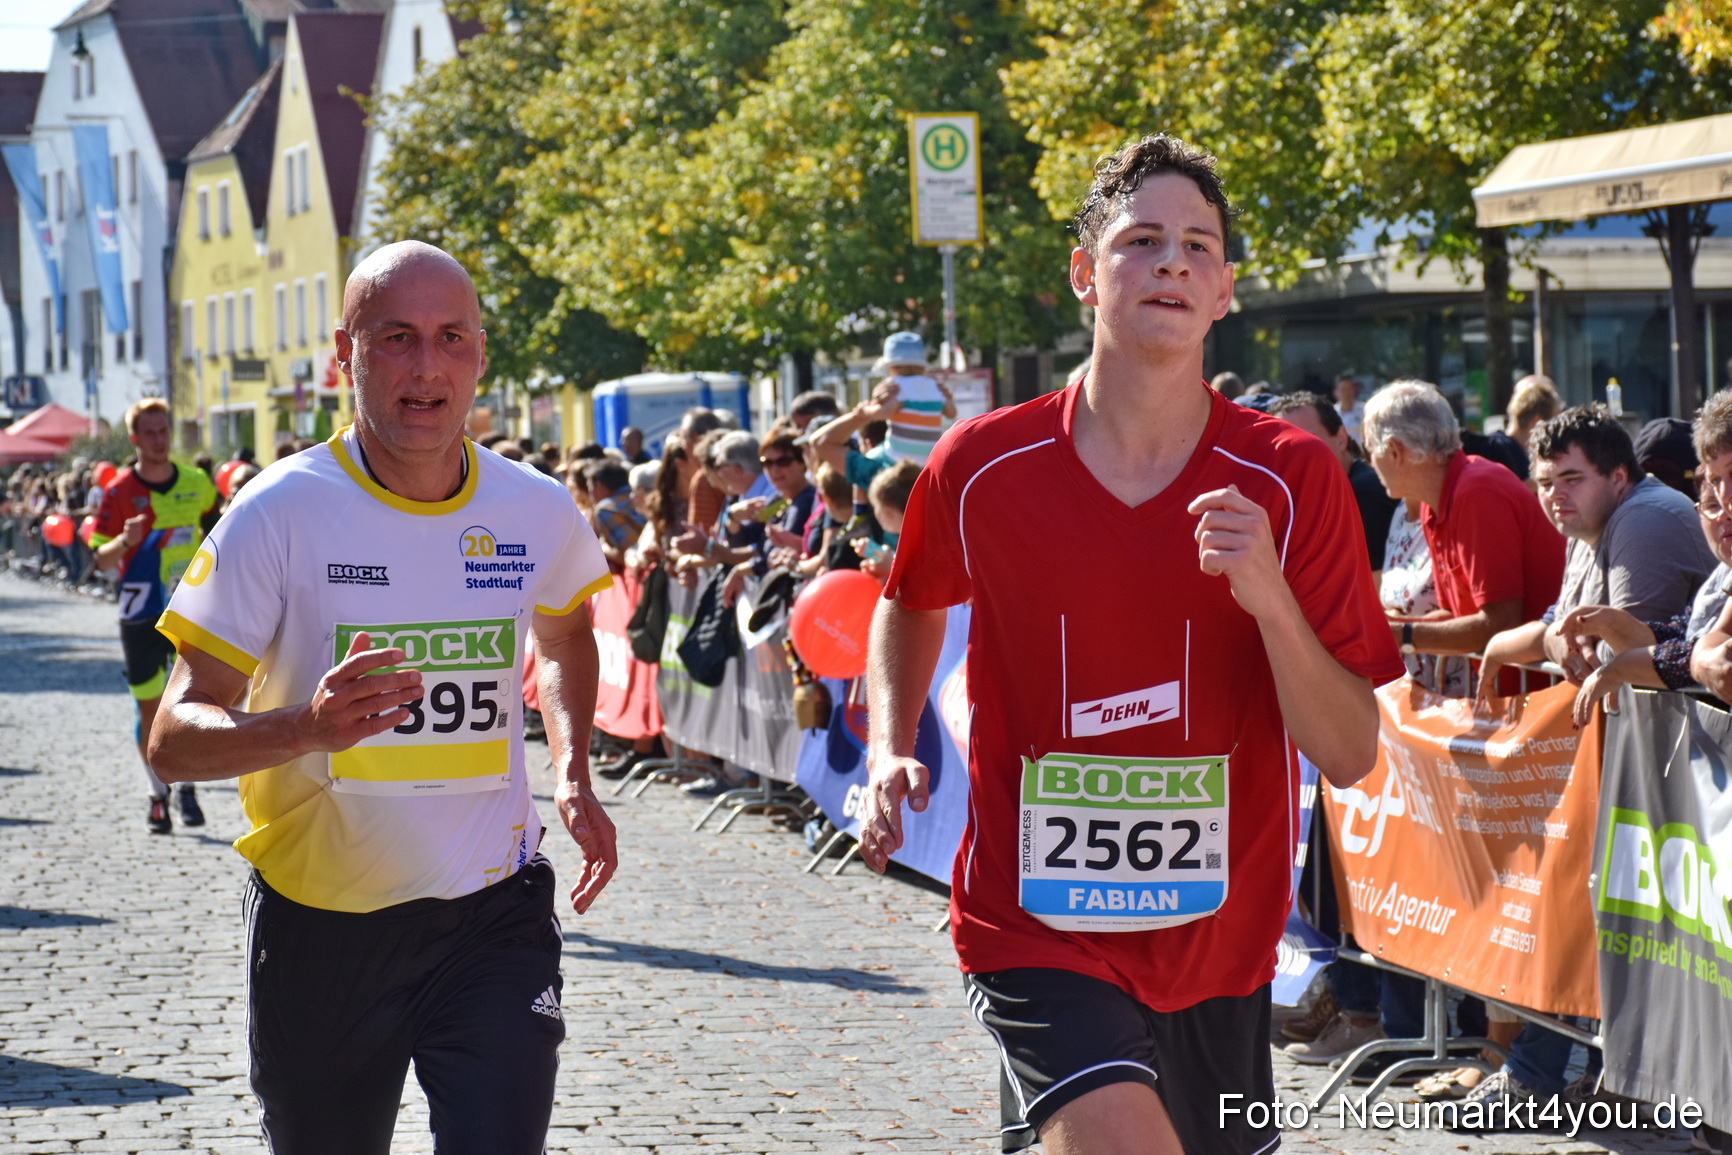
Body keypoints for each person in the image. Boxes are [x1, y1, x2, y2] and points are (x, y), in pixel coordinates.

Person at [858, 134, 1403, 1155]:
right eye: (1141, 240)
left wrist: (1270, 599)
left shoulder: (1290, 476)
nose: (1171, 263)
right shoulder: (982, 464)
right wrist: (893, 743)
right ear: (1084, 273)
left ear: (1226, 291)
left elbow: (1349, 751)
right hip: (1032, 923)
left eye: (1198, 247)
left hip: (1219, 944)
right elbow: (909, 598)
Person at [147, 241, 617, 1153]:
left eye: (451, 338)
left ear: (482, 354)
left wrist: (573, 769)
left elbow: (563, 633)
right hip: (324, 927)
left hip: (493, 916)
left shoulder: (535, 509)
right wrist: (305, 728)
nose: (426, 367)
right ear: (346, 351)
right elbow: (173, 735)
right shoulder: (277, 511)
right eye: (397, 338)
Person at [1479, 404, 1714, 694]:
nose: (1555, 495)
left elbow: (1630, 656)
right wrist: (1494, 650)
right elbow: (1555, 629)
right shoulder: (1584, 522)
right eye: (1545, 483)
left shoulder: (1645, 517)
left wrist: (1556, 640)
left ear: (1618, 478)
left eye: (1572, 479)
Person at [1362, 379, 1565, 696]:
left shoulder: (1476, 491)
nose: (1369, 462)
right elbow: (1458, 618)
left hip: (1545, 703)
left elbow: (1500, 624)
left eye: (1369, 450)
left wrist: (1401, 634)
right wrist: (1392, 628)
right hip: (1518, 699)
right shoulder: (1439, 499)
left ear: (1394, 451)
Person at [89, 397, 219, 834]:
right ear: (134, 439)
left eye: (164, 431)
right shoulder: (119, 491)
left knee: (196, 701)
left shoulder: (198, 482)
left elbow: (219, 528)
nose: (159, 440)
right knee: (149, 708)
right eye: (149, 433)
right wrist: (124, 543)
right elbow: (101, 561)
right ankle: (158, 793)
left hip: (189, 610)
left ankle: (186, 788)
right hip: (141, 611)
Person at [1270, 391, 1398, 582]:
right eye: (1283, 448)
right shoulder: (1310, 498)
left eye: (1305, 443)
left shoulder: (1362, 494)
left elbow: (1368, 589)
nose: (1295, 457)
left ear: (1341, 438)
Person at [1334, 374, 1366, 444]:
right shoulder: (1332, 413)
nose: (1347, 393)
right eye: (1344, 389)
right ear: (1336, 392)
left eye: (1350, 389)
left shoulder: (1365, 410)